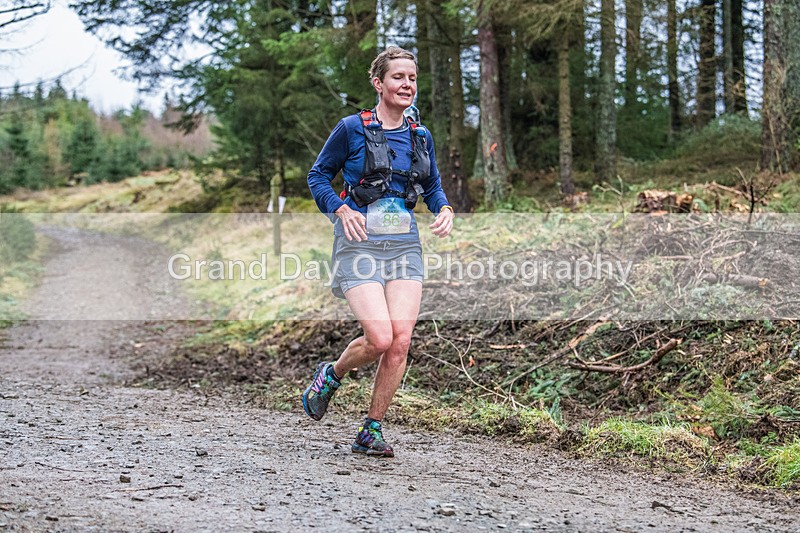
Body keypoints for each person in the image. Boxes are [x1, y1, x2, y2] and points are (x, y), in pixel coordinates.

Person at [303, 46, 454, 457]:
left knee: (401, 341)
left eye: (412, 78)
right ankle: (331, 375)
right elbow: (317, 176)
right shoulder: (351, 128)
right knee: (380, 336)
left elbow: (432, 185)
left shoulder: (420, 136)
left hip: (404, 242)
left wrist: (444, 208)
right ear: (378, 83)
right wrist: (340, 207)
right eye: (397, 77)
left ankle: (371, 429)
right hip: (358, 243)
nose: (406, 85)